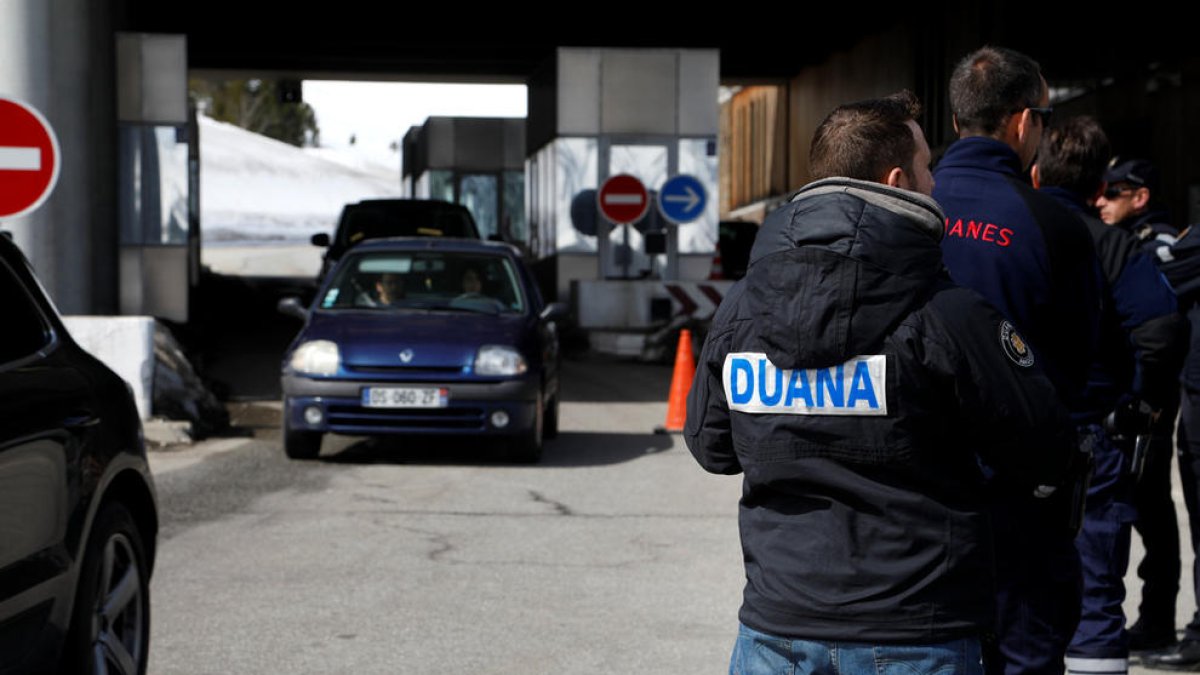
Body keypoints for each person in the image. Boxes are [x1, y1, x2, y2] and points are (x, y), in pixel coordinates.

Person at [685, 90, 1080, 673]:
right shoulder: (948, 314)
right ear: (896, 179)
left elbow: (712, 446)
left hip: (777, 632)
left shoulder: (743, 304)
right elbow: (1046, 449)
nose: (935, 183)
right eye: (927, 168)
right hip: (915, 631)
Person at [932, 46, 1103, 675]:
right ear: (1023, 122)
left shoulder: (903, 214)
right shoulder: (1051, 225)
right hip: (1020, 493)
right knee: (1026, 651)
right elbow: (1085, 362)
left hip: (912, 492)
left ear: (956, 122)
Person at [1031, 116, 1187, 674]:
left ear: (1035, 172)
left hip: (1012, 431)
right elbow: (1163, 329)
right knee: (1095, 588)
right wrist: (1140, 403)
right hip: (1095, 432)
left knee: (1010, 585)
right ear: (1098, 189)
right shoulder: (1115, 247)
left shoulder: (1005, 231)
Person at [1095, 157, 1186, 653]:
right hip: (1131, 401)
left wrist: (1143, 396)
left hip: (1149, 403)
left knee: (1151, 513)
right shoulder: (1119, 245)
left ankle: (1156, 622)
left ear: (1141, 197)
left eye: (1114, 193)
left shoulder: (1158, 244)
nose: (1102, 200)